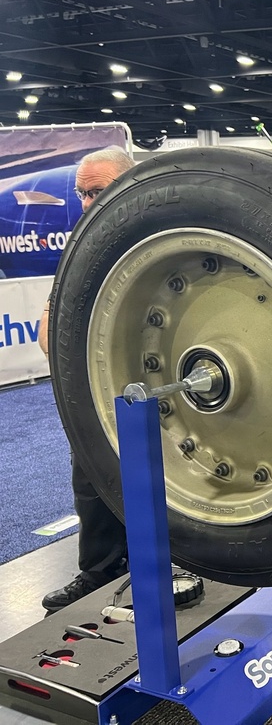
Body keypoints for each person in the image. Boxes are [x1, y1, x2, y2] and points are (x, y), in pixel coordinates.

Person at [40, 147, 135, 611]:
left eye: (97, 191)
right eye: (82, 193)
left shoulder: (158, 235)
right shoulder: (79, 249)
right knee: (92, 486)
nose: (86, 203)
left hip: (154, 393)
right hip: (97, 394)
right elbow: (47, 334)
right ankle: (99, 574)